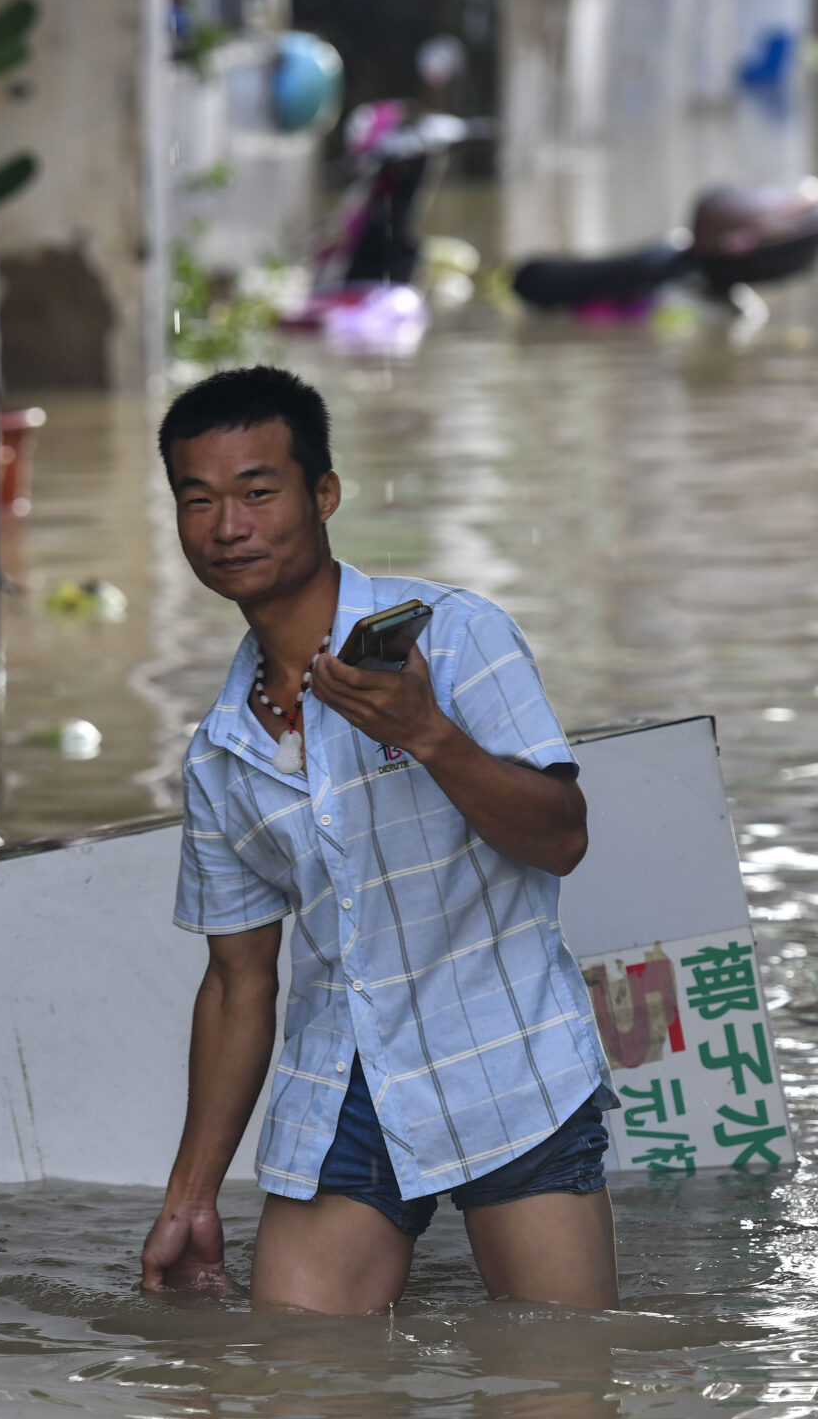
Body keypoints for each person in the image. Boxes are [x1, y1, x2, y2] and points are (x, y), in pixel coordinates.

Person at [138, 365, 617, 1314]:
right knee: (303, 1414)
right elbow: (238, 983)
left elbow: (562, 837)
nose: (227, 526)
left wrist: (427, 733)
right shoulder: (222, 753)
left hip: (508, 1058)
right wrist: (191, 1193)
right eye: (199, 500)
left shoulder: (458, 635)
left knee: (556, 1414)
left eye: (258, 492)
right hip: (342, 1087)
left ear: (324, 495)